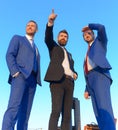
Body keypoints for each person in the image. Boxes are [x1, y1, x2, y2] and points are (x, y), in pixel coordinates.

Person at [2, 20, 41, 130]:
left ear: (36, 30)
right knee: (14, 108)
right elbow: (9, 54)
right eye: (28, 25)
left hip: (33, 81)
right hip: (20, 77)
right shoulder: (17, 38)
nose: (29, 27)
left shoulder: (36, 48)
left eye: (32, 25)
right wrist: (15, 72)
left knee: (26, 113)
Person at [44, 9, 78, 130]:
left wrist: (75, 74)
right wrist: (50, 22)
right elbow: (48, 37)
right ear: (58, 37)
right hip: (57, 82)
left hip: (69, 83)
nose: (64, 38)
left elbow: (72, 68)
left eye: (66, 37)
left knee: (67, 116)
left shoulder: (69, 54)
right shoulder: (53, 47)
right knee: (56, 112)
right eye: (62, 36)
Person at [82, 23, 116, 130]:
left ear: (94, 34)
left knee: (104, 107)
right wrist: (86, 88)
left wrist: (90, 26)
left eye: (89, 33)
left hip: (100, 75)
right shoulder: (87, 52)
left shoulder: (100, 42)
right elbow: (87, 69)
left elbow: (101, 28)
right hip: (90, 81)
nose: (86, 35)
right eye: (84, 35)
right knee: (98, 112)